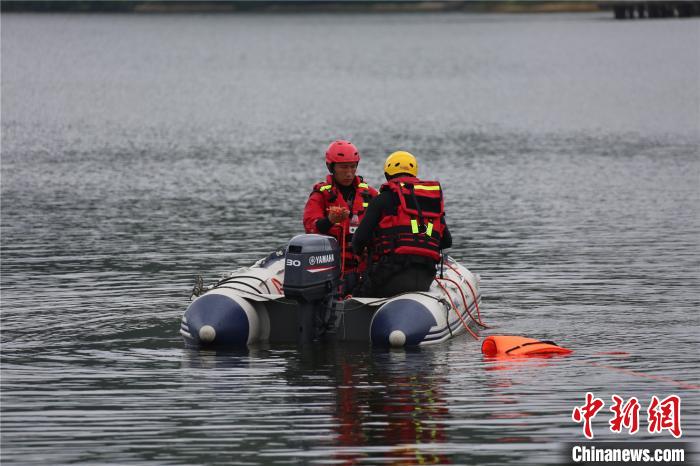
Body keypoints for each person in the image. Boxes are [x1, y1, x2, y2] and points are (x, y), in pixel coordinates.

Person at [351, 150, 452, 297]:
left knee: (355, 290)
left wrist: (365, 252)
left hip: (391, 276)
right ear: (414, 173)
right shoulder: (431, 201)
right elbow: (446, 241)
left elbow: (358, 241)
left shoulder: (382, 199)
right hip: (426, 276)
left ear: (388, 175)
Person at [303, 140, 379, 292]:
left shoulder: (370, 195)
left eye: (353, 167)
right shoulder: (321, 195)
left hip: (364, 269)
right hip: (331, 268)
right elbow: (310, 226)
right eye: (344, 167)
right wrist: (330, 221)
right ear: (332, 167)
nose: (349, 173)